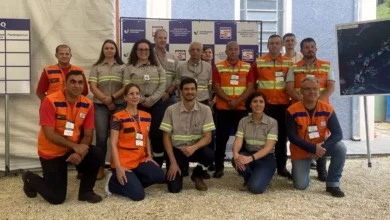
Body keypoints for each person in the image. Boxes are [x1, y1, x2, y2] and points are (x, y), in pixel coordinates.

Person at [22, 70, 103, 204]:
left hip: (72, 148)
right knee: (56, 198)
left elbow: (88, 134)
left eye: (80, 82)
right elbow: (49, 134)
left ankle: (86, 192)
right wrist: (75, 147)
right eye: (72, 82)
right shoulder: (50, 101)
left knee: (96, 153)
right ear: (65, 83)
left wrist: (81, 153)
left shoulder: (88, 104)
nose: (76, 85)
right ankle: (30, 177)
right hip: (52, 151)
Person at [286, 77, 346, 197]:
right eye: (308, 89)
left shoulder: (327, 109)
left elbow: (338, 134)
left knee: (340, 148)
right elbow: (292, 136)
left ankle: (333, 183)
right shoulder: (292, 110)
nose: (312, 92)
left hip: (321, 148)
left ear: (319, 91)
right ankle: (300, 169)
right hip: (301, 150)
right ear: (301, 91)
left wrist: (320, 148)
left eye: (315, 89)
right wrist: (313, 148)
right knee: (301, 186)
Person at [286, 37, 336, 181]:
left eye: (312, 47)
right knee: (302, 136)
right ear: (301, 50)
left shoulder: (326, 65)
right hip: (300, 111)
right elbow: (289, 89)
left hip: (322, 111)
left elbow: (330, 86)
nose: (310, 49)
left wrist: (316, 103)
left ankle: (322, 169)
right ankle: (303, 163)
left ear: (316, 49)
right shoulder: (294, 68)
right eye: (307, 47)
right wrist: (305, 102)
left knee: (321, 136)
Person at [105, 83, 164, 201]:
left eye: (137, 93)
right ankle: (112, 183)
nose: (135, 96)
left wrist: (149, 155)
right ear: (125, 97)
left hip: (139, 160)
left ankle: (132, 181)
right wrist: (118, 166)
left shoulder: (146, 116)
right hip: (123, 162)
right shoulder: (118, 117)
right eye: (131, 94)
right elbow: (113, 143)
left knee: (160, 175)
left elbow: (146, 136)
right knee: (138, 195)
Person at [160, 77, 215, 192]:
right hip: (177, 151)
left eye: (192, 89)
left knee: (209, 155)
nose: (189, 92)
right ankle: (179, 167)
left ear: (196, 91)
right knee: (174, 189)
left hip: (195, 149)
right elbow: (166, 137)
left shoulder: (205, 110)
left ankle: (197, 174)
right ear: (180, 91)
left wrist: (193, 147)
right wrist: (173, 162)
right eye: (186, 89)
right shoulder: (170, 110)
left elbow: (208, 137)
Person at [252, 34, 293, 179]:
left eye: (277, 43)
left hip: (283, 106)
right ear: (267, 45)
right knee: (263, 136)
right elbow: (252, 83)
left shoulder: (289, 63)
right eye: (271, 43)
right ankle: (262, 165)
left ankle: (281, 167)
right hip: (265, 107)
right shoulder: (259, 62)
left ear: (281, 45)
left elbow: (292, 84)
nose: (274, 46)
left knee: (282, 137)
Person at [212, 41, 254, 178]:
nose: (233, 51)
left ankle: (242, 166)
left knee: (243, 139)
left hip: (241, 108)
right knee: (221, 139)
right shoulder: (218, 66)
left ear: (239, 51)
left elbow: (250, 87)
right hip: (224, 109)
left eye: (236, 49)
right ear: (226, 51)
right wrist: (229, 100)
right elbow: (216, 87)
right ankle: (219, 167)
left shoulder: (247, 67)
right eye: (230, 49)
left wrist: (238, 101)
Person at [124, 39, 166, 167]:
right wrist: (141, 99)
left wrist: (151, 100)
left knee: (157, 134)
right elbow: (127, 85)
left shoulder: (157, 66)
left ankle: (158, 164)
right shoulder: (129, 67)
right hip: (137, 105)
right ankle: (140, 163)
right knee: (139, 134)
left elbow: (162, 84)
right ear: (136, 51)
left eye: (146, 49)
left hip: (156, 104)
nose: (143, 52)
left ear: (150, 51)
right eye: (140, 49)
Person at [89, 39, 126, 180]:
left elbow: (125, 87)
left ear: (116, 50)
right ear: (103, 51)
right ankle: (100, 168)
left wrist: (112, 98)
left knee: (118, 138)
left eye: (112, 48)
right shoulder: (96, 67)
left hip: (119, 106)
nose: (109, 50)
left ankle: (117, 166)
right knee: (101, 138)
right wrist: (106, 100)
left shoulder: (123, 67)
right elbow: (93, 87)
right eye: (106, 48)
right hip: (100, 106)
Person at [176, 42, 213, 178]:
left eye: (198, 50)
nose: (196, 52)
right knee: (184, 132)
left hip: (203, 103)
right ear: (189, 51)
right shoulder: (181, 67)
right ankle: (183, 165)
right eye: (193, 50)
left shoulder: (208, 67)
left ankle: (203, 168)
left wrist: (208, 102)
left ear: (202, 52)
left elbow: (210, 86)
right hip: (185, 104)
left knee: (206, 136)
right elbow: (177, 86)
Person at [232, 92, 277, 194]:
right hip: (248, 153)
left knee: (256, 189)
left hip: (266, 158)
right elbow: (238, 140)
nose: (258, 104)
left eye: (261, 102)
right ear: (250, 104)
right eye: (255, 101)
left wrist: (250, 158)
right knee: (237, 159)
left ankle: (259, 179)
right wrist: (235, 154)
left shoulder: (272, 122)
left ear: (265, 105)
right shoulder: (243, 121)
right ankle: (252, 178)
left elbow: (268, 148)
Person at [202, 46, 217, 173]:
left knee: (211, 133)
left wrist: (213, 102)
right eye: (205, 52)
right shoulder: (201, 69)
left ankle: (211, 162)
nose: (208, 54)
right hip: (203, 104)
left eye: (210, 52)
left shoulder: (216, 68)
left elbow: (218, 87)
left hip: (214, 104)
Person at [154, 29, 179, 105]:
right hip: (153, 97)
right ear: (154, 39)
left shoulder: (172, 57)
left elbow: (178, 76)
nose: (163, 40)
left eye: (165, 38)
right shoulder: (149, 56)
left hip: (170, 96)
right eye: (160, 38)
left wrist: (168, 92)